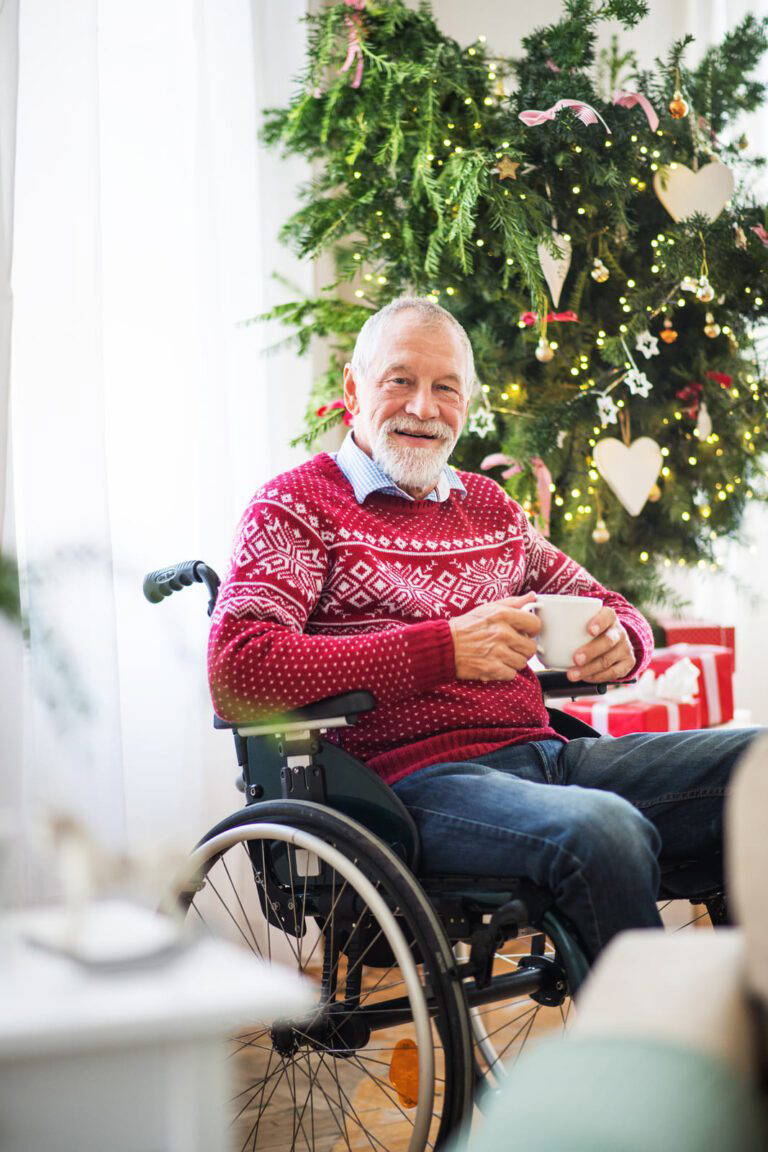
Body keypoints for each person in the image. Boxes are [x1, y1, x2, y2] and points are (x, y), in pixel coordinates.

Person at [208, 295, 757, 960]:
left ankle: (744, 1014)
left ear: (467, 401)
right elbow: (238, 669)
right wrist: (445, 649)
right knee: (602, 829)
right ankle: (651, 1049)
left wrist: (626, 641)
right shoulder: (297, 504)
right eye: (400, 381)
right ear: (354, 388)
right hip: (410, 788)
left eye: (446, 388)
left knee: (756, 761)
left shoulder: (489, 506)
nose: (422, 408)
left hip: (549, 759)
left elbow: (602, 600)